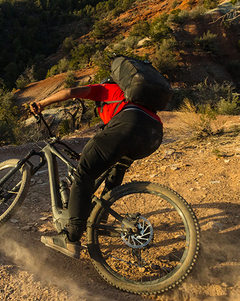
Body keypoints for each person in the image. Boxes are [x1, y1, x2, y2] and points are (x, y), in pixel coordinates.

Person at [28, 80, 164, 258]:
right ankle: (101, 217)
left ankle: (71, 238)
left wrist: (42, 103)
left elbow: (69, 91)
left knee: (84, 174)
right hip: (154, 134)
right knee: (116, 168)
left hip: (129, 124)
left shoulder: (105, 88)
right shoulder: (134, 98)